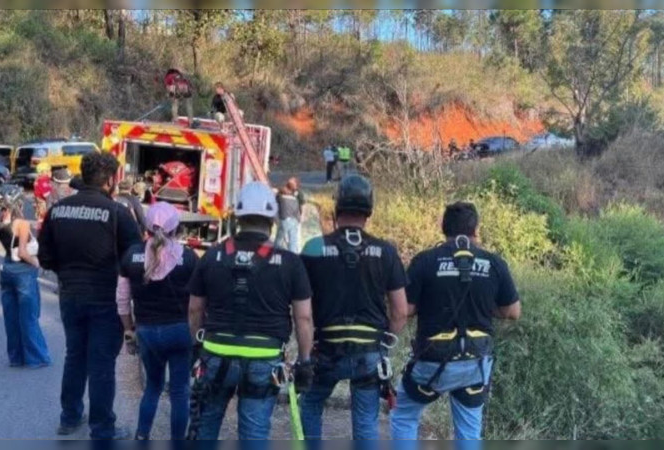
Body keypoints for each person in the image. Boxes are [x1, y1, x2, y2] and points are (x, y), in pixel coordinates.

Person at [187, 181, 315, 440]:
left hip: (216, 353)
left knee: (205, 427)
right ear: (272, 220)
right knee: (254, 433)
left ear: (237, 218)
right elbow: (304, 318)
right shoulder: (290, 263)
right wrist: (304, 361)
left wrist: (196, 348)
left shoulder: (212, 257)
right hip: (264, 358)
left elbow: (194, 310)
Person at [390, 202, 521, 441]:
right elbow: (513, 312)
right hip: (475, 363)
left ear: (444, 229)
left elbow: (405, 308)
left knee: (404, 417)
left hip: (432, 361)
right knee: (469, 434)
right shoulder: (494, 263)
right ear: (475, 230)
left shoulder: (425, 261)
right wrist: (486, 308)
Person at [38, 152, 143, 440]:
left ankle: (69, 417)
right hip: (104, 298)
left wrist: (68, 271)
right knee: (101, 363)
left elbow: (44, 257)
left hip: (70, 296)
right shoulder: (117, 213)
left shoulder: (58, 210)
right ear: (110, 180)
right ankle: (102, 428)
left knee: (75, 356)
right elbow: (135, 257)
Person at [299, 174, 409, 440]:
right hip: (369, 352)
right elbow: (400, 311)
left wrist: (305, 349)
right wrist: (385, 343)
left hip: (325, 349)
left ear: (337, 206)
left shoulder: (314, 247)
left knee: (310, 405)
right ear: (369, 209)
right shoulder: (386, 251)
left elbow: (301, 309)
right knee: (365, 423)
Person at [117, 202, 199, 440]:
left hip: (147, 331)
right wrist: (196, 334)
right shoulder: (190, 257)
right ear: (177, 228)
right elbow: (198, 304)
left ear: (148, 228)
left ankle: (142, 435)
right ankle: (177, 441)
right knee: (179, 391)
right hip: (180, 331)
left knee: (152, 387)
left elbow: (122, 300)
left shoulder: (131, 256)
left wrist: (129, 330)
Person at [0, 184, 52, 369]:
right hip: (23, 271)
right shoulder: (22, 224)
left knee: (11, 317)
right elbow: (23, 252)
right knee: (29, 316)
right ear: (17, 201)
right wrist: (38, 263)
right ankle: (36, 358)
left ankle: (16, 357)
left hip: (7, 269)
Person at [275, 177, 305, 253]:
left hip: (285, 218)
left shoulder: (280, 194)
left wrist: (276, 218)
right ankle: (293, 255)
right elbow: (302, 205)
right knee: (293, 239)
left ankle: (276, 253)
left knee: (280, 238)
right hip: (294, 218)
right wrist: (302, 216)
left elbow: (276, 205)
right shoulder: (295, 195)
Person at [34, 162, 53, 227]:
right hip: (43, 202)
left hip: (42, 202)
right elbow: (45, 194)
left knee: (42, 217)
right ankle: (42, 231)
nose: (49, 172)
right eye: (47, 171)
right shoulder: (42, 181)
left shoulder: (43, 180)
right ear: (42, 172)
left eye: (49, 170)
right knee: (42, 217)